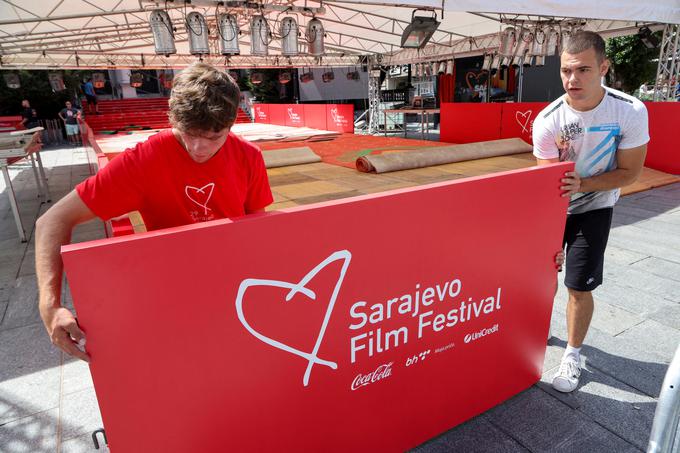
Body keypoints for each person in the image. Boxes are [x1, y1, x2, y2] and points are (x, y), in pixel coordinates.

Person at [36, 63, 274, 362]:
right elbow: (51, 220)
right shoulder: (144, 160)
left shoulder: (249, 156)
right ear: (172, 120)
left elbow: (257, 230)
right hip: (171, 295)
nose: (199, 147)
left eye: (214, 137)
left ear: (232, 124)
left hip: (234, 292)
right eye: (189, 133)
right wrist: (49, 305)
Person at [533, 31, 649, 393]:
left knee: (578, 286)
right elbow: (547, 182)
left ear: (603, 67)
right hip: (554, 208)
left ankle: (572, 355)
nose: (572, 79)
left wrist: (582, 184)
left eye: (583, 69)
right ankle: (533, 335)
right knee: (539, 278)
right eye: (566, 70)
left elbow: (630, 173)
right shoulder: (548, 120)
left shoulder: (629, 111)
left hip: (596, 205)